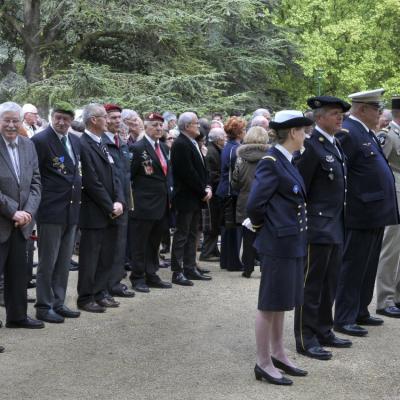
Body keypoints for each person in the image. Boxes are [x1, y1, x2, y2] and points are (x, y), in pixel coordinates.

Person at [247, 110, 312, 386]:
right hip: (278, 242)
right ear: (294, 132)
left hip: (291, 241)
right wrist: (267, 229)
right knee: (269, 303)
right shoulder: (271, 162)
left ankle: (278, 353)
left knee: (282, 301)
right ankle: (263, 362)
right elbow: (254, 206)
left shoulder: (288, 160)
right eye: (304, 130)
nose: (306, 135)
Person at [334, 89, 400, 336]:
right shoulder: (349, 132)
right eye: (375, 108)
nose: (380, 113)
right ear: (361, 109)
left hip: (374, 211)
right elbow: (341, 172)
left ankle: (360, 310)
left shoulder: (365, 132)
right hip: (359, 211)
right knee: (353, 265)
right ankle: (344, 317)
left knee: (367, 265)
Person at [294, 96, 351, 361]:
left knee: (330, 282)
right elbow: (300, 188)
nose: (340, 118)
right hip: (317, 226)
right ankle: (306, 338)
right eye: (334, 113)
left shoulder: (335, 144)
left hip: (335, 224)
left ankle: (324, 329)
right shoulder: (311, 147)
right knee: (312, 284)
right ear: (319, 118)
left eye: (341, 114)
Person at [32, 101, 82, 323]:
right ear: (52, 117)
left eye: (66, 119)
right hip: (51, 210)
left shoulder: (74, 140)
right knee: (47, 261)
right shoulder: (40, 140)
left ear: (71, 121)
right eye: (58, 117)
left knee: (63, 261)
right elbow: (34, 175)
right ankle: (43, 306)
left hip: (71, 209)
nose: (62, 122)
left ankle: (58, 302)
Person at [77, 103, 125, 312]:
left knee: (107, 255)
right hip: (94, 211)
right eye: (105, 117)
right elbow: (91, 181)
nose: (108, 120)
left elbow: (115, 176)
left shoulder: (102, 143)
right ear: (94, 120)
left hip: (111, 210)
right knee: (90, 257)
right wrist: (109, 205)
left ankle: (101, 292)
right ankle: (86, 297)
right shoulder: (83, 144)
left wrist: (120, 201)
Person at [0, 101, 43, 333]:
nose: (11, 124)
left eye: (15, 120)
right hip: (3, 220)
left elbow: (36, 182)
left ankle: (17, 317)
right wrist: (12, 210)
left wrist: (27, 212)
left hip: (22, 223)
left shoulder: (28, 145)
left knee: (18, 274)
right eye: (6, 120)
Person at [129, 112, 173, 292]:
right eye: (154, 125)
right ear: (145, 127)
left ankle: (152, 273)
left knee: (154, 242)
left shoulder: (163, 147)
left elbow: (165, 175)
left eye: (160, 125)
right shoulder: (138, 148)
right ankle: (138, 277)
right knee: (140, 243)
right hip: (143, 205)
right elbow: (130, 177)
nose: (158, 128)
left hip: (161, 204)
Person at [170, 112, 212, 285]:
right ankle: (177, 271)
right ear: (187, 126)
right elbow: (187, 172)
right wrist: (202, 191)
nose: (198, 126)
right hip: (186, 197)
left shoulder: (193, 142)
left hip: (196, 196)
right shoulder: (180, 144)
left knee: (193, 233)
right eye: (196, 123)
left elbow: (202, 168)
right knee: (182, 234)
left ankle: (190, 267)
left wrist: (208, 186)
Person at [103, 103, 135, 298]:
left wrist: (126, 201)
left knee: (119, 245)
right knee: (106, 247)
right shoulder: (100, 142)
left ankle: (114, 282)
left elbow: (125, 176)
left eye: (118, 118)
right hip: (108, 203)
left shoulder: (121, 143)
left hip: (122, 201)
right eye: (112, 117)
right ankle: (103, 285)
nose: (116, 121)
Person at [231, 126, 269, 278]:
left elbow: (235, 182)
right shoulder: (271, 156)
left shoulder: (240, 157)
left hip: (245, 199)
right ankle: (265, 267)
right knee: (266, 235)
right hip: (266, 199)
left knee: (247, 237)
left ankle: (247, 269)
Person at [375, 96, 400, 318]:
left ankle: (398, 295)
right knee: (390, 249)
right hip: (395, 196)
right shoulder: (387, 135)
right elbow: (379, 168)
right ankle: (385, 299)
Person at [216, 116, 246, 271]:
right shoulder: (235, 149)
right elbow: (236, 174)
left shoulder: (229, 146)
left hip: (226, 191)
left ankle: (226, 260)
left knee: (228, 228)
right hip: (230, 192)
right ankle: (233, 261)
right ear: (239, 132)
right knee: (233, 228)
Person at [199, 128, 225, 261]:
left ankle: (213, 250)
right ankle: (207, 252)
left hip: (214, 192)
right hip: (212, 193)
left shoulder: (214, 150)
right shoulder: (211, 151)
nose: (225, 139)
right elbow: (211, 173)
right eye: (223, 137)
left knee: (215, 223)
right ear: (218, 139)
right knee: (212, 223)